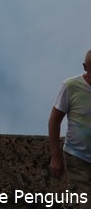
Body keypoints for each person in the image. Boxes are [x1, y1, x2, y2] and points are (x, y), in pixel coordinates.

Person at [49, 49, 91, 207]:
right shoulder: (71, 86)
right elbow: (54, 121)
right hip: (77, 157)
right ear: (85, 67)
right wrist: (55, 156)